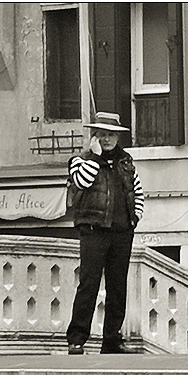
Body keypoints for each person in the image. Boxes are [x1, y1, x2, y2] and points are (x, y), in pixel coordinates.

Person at [66, 112, 145, 355]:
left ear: (117, 136)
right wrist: (96, 157)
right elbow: (82, 181)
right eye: (102, 134)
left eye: (111, 135)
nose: (107, 139)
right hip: (93, 230)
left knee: (117, 287)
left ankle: (112, 340)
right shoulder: (80, 161)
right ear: (94, 137)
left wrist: (135, 218)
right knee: (88, 285)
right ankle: (77, 339)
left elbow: (138, 192)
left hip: (122, 232)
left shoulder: (126, 162)